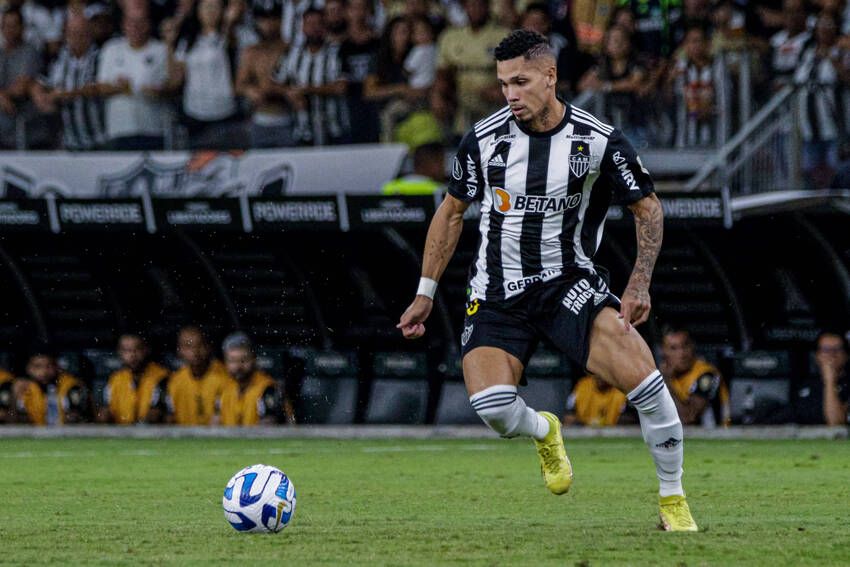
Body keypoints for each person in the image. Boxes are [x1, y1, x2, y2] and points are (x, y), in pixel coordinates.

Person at [396, 29, 697, 531]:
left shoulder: (597, 141)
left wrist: (639, 282)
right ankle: (544, 429)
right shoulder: (484, 139)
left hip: (568, 287)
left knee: (646, 382)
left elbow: (648, 208)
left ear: (550, 76)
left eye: (521, 81)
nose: (510, 94)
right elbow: (450, 214)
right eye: (503, 83)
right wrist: (425, 292)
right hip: (496, 293)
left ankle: (673, 500)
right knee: (491, 405)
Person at [95, 2, 170, 150]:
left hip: (153, 129)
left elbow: (171, 86)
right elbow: (100, 88)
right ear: (123, 25)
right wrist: (118, 87)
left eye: (140, 22)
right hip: (120, 129)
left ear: (148, 24)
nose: (135, 27)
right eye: (131, 22)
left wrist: (158, 92)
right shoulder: (111, 49)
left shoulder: (161, 49)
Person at [30, 10, 107, 151]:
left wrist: (63, 95)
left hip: (98, 139)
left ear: (90, 34)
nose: (77, 38)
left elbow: (98, 88)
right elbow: (39, 81)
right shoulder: (58, 58)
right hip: (68, 141)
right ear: (65, 35)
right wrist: (40, 96)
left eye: (81, 33)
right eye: (72, 33)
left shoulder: (100, 57)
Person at [659, 327, 729, 427]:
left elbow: (688, 417)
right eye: (673, 348)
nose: (682, 354)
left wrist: (666, 382)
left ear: (693, 346)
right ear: (663, 352)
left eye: (685, 346)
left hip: (715, 438)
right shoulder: (663, 375)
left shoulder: (707, 374)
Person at [219, 332, 294, 426]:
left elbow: (269, 426)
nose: (238, 366)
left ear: (254, 359)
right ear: (225, 362)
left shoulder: (268, 387)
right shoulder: (226, 388)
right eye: (233, 361)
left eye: (243, 360)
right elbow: (216, 423)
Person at [166, 326, 234, 425]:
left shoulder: (225, 376)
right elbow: (170, 417)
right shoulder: (175, 380)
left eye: (200, 345)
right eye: (188, 346)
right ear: (179, 350)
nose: (195, 351)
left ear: (208, 347)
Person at [98, 333, 170, 424]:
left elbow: (158, 413)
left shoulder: (162, 376)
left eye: (137, 349)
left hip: (152, 433)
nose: (132, 355)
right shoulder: (115, 379)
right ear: (119, 352)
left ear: (146, 349)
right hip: (121, 433)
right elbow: (105, 411)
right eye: (126, 350)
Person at [14, 349, 90, 425]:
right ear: (28, 368)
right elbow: (13, 421)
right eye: (37, 366)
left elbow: (76, 418)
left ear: (56, 367)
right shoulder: (22, 386)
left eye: (49, 366)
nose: (44, 372)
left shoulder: (70, 384)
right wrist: (15, 400)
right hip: (33, 434)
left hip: (64, 433)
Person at [564, 374, 632, 426]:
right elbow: (569, 415)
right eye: (598, 373)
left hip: (612, 431)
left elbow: (629, 418)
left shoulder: (620, 390)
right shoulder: (583, 386)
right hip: (584, 429)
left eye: (604, 373)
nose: (600, 377)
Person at [814, 330, 848, 425]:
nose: (831, 355)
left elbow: (835, 422)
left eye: (837, 349)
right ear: (817, 356)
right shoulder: (807, 384)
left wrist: (830, 380)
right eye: (825, 349)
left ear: (845, 356)